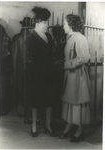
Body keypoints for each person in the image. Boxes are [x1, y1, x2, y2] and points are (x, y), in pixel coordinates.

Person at [58, 14, 91, 142]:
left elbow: (83, 58)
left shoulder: (80, 38)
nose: (63, 26)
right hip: (71, 74)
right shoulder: (70, 37)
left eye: (65, 24)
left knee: (77, 101)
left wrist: (67, 64)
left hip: (78, 75)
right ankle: (70, 125)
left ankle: (80, 129)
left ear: (71, 25)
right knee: (69, 101)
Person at [26, 6, 56, 137]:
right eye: (44, 23)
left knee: (49, 100)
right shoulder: (31, 37)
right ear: (37, 23)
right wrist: (48, 62)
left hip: (49, 73)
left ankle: (48, 124)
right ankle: (33, 125)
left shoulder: (48, 36)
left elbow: (52, 54)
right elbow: (33, 57)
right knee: (36, 101)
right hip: (37, 74)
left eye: (46, 22)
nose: (46, 25)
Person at [11, 17, 33, 117]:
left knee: (20, 87)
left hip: (17, 69)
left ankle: (21, 111)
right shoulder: (32, 38)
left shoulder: (16, 38)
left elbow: (11, 53)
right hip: (29, 69)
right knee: (29, 88)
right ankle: (28, 112)